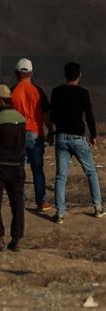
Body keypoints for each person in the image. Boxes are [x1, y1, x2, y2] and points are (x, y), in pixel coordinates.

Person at [50, 62, 103, 222]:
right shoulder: (82, 93)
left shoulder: (56, 91)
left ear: (65, 75)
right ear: (79, 75)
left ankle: (60, 213)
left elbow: (53, 116)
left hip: (61, 137)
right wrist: (93, 134)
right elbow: (89, 115)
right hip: (78, 138)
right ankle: (98, 208)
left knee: (61, 176)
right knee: (91, 172)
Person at [0, 84, 26, 252]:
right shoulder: (21, 119)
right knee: (17, 204)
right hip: (17, 167)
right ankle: (16, 239)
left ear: (0, 101)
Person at [11, 58, 54, 213]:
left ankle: (19, 203)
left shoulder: (12, 91)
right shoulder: (39, 91)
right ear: (31, 73)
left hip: (17, 134)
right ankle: (41, 202)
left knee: (18, 170)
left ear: (17, 73)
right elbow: (46, 113)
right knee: (37, 169)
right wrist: (51, 131)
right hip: (36, 133)